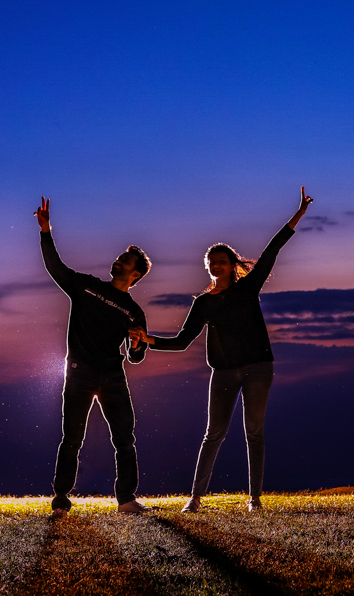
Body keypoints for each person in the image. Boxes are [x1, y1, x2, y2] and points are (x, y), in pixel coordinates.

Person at [132, 187, 313, 513]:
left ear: (232, 265)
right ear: (208, 267)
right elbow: (181, 341)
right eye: (211, 262)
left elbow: (271, 251)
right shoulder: (203, 304)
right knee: (213, 433)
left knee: (254, 433)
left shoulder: (248, 289)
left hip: (259, 367)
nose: (217, 266)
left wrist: (298, 214)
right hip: (224, 372)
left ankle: (255, 500)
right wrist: (149, 340)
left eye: (222, 261)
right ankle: (196, 499)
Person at [34, 196, 153, 516]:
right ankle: (60, 498)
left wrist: (139, 344)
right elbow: (55, 268)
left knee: (124, 439)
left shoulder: (134, 311)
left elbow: (136, 356)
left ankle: (126, 500)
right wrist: (46, 231)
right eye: (119, 257)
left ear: (136, 274)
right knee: (71, 437)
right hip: (78, 372)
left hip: (113, 376)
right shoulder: (85, 287)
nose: (118, 261)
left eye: (125, 261)